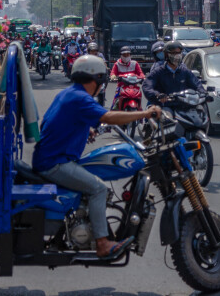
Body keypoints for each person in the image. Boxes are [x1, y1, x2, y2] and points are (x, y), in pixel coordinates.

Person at [32, 55, 162, 260]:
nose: (101, 87)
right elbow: (108, 117)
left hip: (51, 158)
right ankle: (102, 243)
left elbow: (51, 124)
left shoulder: (67, 94)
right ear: (94, 80)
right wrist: (145, 114)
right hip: (54, 163)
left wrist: (85, 130)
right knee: (99, 188)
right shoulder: (80, 98)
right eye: (101, 83)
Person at [142, 41, 205, 110]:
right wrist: (157, 95)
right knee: (166, 119)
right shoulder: (158, 72)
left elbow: (196, 84)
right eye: (174, 53)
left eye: (179, 53)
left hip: (185, 106)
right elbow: (147, 86)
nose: (177, 56)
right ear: (166, 54)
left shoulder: (185, 71)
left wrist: (203, 93)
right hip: (165, 107)